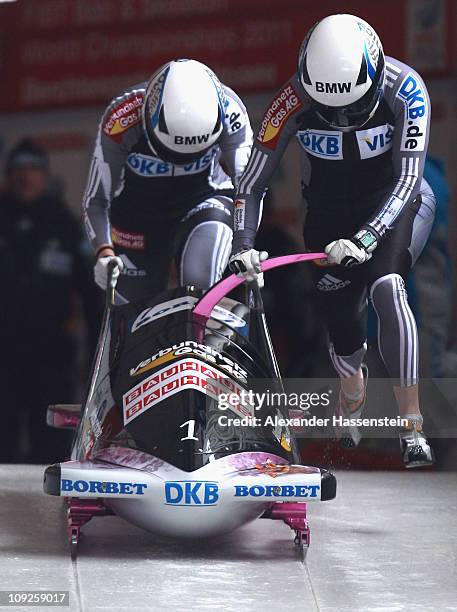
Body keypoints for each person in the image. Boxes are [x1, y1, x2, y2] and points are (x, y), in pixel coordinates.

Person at [229, 14, 436, 468]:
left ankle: (411, 425)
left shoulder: (407, 90)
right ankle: (352, 389)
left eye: (353, 110)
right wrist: (243, 242)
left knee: (387, 287)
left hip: (397, 204)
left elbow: (408, 179)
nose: (341, 119)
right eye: (329, 111)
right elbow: (252, 182)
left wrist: (366, 237)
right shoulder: (289, 102)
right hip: (328, 214)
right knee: (343, 327)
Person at [82, 59, 252, 301]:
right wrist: (104, 251)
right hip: (137, 216)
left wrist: (245, 245)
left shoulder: (231, 110)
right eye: (172, 153)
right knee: (134, 315)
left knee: (199, 282)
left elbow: (249, 187)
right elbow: (97, 199)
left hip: (203, 200)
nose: (178, 162)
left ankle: (204, 332)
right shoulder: (122, 118)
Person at [0, 138, 101, 463]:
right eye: (18, 170)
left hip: (52, 355)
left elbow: (91, 296)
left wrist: (96, 361)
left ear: (44, 175)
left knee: (52, 449)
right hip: (4, 355)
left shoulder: (65, 225)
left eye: (32, 169)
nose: (25, 177)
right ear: (8, 175)